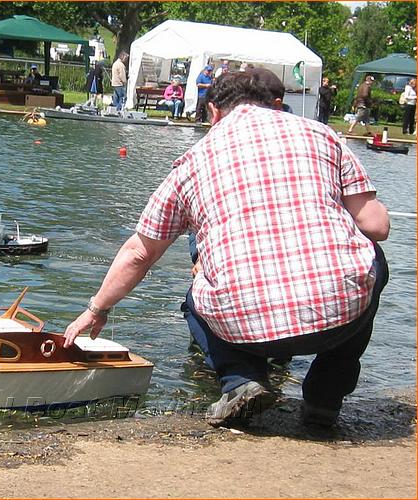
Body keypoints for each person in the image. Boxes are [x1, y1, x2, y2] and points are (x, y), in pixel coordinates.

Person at [63, 70, 390, 429]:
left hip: (243, 326)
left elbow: (140, 252)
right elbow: (377, 225)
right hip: (338, 318)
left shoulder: (191, 163)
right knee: (373, 257)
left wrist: (96, 309)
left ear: (215, 111)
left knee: (195, 293)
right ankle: (324, 400)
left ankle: (240, 379)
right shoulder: (322, 134)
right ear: (275, 105)